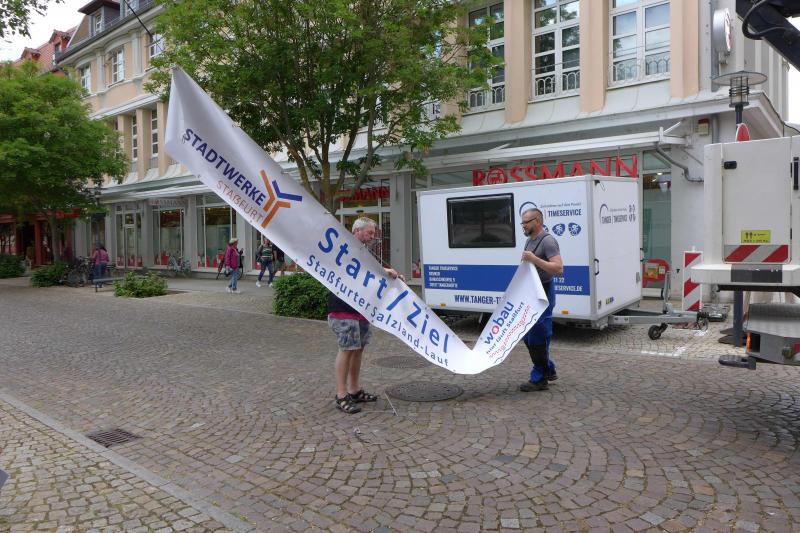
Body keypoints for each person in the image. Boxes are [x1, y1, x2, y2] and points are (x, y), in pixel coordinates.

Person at [328, 217, 405, 414]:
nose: (372, 237)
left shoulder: (364, 251)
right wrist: (385, 271)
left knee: (358, 349)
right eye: (369, 233)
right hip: (343, 308)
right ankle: (341, 395)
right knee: (347, 349)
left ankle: (354, 390)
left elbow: (373, 275)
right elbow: (357, 270)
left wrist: (394, 278)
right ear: (357, 231)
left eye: (373, 233)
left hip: (360, 309)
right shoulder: (345, 247)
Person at [519, 208, 563, 392]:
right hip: (531, 293)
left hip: (544, 293)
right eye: (522, 222)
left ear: (537, 221)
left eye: (526, 222)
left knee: (538, 335)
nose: (523, 225)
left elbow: (558, 269)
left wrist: (534, 259)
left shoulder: (548, 241)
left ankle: (539, 378)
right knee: (527, 336)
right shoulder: (529, 240)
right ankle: (549, 368)